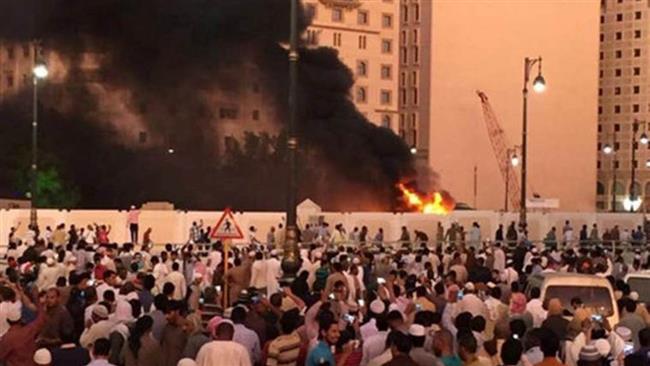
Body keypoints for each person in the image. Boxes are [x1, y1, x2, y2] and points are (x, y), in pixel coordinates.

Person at [0, 295, 47, 366]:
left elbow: (1, 356)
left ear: (8, 321)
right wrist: (38, 302)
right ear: (21, 319)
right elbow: (42, 318)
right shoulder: (30, 329)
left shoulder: (6, 338)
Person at [160, 301, 187, 366]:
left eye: (169, 313)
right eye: (165, 313)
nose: (166, 316)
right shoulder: (166, 328)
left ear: (177, 312)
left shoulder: (187, 329)